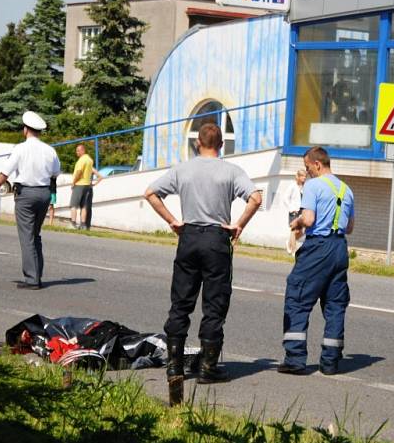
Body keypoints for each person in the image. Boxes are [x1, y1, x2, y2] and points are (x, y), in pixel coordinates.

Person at [145, 123, 262, 405]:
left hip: (189, 237)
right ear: (221, 144)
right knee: (214, 303)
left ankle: (174, 365)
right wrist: (238, 225)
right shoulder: (231, 171)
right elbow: (256, 198)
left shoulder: (182, 170)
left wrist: (172, 220)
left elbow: (150, 193)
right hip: (216, 238)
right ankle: (208, 368)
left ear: (198, 143)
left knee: (181, 302)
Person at [279, 146, 355, 376]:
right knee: (334, 305)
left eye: (307, 166)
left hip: (318, 248)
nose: (307, 171)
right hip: (340, 248)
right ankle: (330, 362)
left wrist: (297, 223)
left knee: (297, 297)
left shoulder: (313, 186)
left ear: (317, 164)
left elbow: (309, 218)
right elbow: (349, 227)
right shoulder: (347, 189)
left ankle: (295, 360)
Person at [0, 111, 61, 290]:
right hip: (44, 194)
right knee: (35, 235)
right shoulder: (50, 150)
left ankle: (32, 279)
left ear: (25, 130)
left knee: (27, 237)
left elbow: (5, 172)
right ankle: (37, 274)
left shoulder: (20, 148)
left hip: (26, 195)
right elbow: (55, 173)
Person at [69, 144, 102, 230]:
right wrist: (93, 184)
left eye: (78, 151)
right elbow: (94, 173)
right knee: (84, 206)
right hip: (87, 185)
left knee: (74, 205)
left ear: (82, 150)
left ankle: (73, 223)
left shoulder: (81, 160)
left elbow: (79, 172)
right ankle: (83, 224)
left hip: (79, 184)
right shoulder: (90, 160)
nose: (77, 153)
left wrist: (74, 182)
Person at [282, 169, 307, 255]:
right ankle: (294, 250)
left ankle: (289, 242)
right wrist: (290, 208)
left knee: (300, 231)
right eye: (303, 176)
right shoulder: (292, 186)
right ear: (299, 177)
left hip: (301, 212)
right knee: (293, 230)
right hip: (294, 211)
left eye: (305, 176)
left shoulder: (304, 187)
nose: (304, 178)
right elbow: (285, 198)